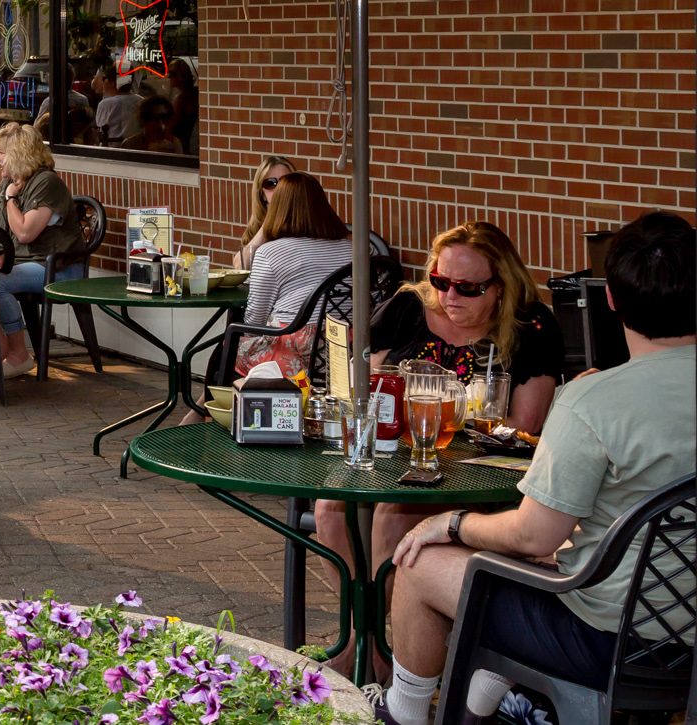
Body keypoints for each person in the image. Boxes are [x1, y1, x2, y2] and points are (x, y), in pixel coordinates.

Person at [378, 212, 695, 725]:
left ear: (610, 299)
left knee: (421, 560)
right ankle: (475, 710)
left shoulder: (592, 401)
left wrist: (451, 523)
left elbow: (532, 537)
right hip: (685, 632)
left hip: (610, 640)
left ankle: (404, 713)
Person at [313, 220, 565, 676]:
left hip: (479, 468)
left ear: (501, 286)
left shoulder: (531, 324)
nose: (450, 297)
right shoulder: (408, 306)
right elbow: (362, 392)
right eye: (441, 281)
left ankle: (370, 655)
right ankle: (368, 641)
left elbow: (523, 425)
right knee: (331, 509)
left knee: (393, 514)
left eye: (467, 288)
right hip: (395, 454)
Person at [0, 122, 85, 380]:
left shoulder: (47, 183)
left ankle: (19, 356)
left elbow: (24, 232)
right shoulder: (8, 183)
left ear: (19, 154)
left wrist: (10, 200)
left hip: (58, 270)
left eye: (2, 151)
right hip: (24, 264)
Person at [239, 173, 351, 332]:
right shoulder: (356, 251)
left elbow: (254, 321)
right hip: (349, 346)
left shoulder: (269, 253)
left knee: (226, 345)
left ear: (278, 209)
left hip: (292, 346)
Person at [231, 154, 298, 268]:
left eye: (285, 182)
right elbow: (240, 267)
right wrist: (270, 220)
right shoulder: (259, 226)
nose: (278, 189)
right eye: (270, 183)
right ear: (263, 195)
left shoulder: (306, 222)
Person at [90, 68, 140, 143]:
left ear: (113, 82)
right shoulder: (141, 101)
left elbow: (101, 133)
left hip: (112, 151)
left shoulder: (105, 104)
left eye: (104, 78)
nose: (102, 82)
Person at [120, 97, 185, 154]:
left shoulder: (174, 143)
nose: (160, 123)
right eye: (154, 117)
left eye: (164, 117)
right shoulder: (130, 144)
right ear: (144, 119)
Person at [167, 59, 200, 152]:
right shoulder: (194, 93)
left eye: (172, 73)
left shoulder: (182, 98)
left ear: (182, 76)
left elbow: (169, 127)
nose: (169, 76)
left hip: (181, 146)